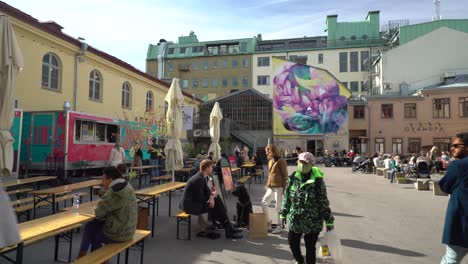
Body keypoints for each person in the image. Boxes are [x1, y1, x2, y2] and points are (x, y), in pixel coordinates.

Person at [280, 152, 334, 264]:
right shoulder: (293, 178)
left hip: (313, 220)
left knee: (310, 248)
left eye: (305, 163)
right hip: (296, 219)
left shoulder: (318, 181)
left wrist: (328, 219)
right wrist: (283, 212)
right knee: (292, 243)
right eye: (300, 162)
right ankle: (299, 261)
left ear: (311, 164)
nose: (302, 165)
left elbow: (323, 200)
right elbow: (287, 197)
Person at [77, 167, 137, 258]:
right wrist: (105, 193)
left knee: (90, 227)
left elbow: (98, 213)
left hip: (119, 234)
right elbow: (117, 203)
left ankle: (81, 258)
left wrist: (105, 196)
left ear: (110, 180)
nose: (102, 183)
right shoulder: (127, 185)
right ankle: (99, 259)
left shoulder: (113, 192)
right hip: (130, 229)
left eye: (103, 179)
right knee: (95, 228)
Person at [180, 159, 243, 239]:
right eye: (211, 167)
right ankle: (228, 229)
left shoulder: (201, 176)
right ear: (206, 168)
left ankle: (228, 228)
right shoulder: (199, 179)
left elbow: (207, 190)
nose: (212, 169)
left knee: (217, 201)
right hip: (190, 205)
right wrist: (211, 200)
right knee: (217, 205)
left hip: (194, 202)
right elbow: (199, 197)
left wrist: (211, 197)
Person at [439, 133, 468, 263]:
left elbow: (445, 186)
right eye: (452, 146)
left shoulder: (458, 166)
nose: (452, 148)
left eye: (456, 146)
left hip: (462, 222)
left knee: (451, 260)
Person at [262, 144, 288, 234]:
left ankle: (279, 226)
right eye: (266, 151)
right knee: (264, 202)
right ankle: (268, 222)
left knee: (278, 207)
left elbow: (285, 176)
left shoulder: (281, 161)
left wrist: (284, 189)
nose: (266, 152)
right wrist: (267, 185)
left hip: (279, 187)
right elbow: (270, 175)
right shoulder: (270, 161)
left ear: (272, 151)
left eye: (268, 151)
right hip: (271, 187)